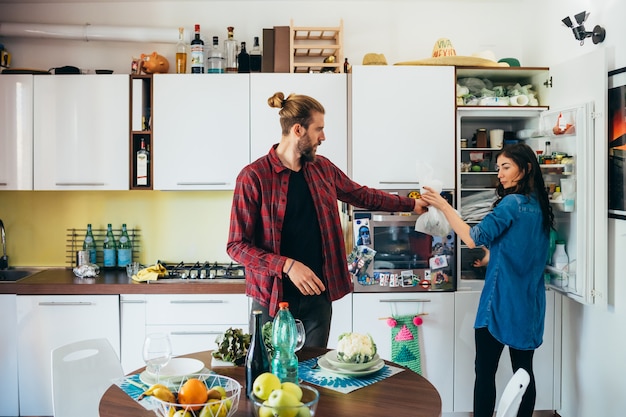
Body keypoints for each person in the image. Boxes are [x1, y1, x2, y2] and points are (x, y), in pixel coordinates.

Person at [227, 92, 427, 347]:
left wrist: (411, 204)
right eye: (318, 129)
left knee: (313, 377)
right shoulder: (253, 177)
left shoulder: (323, 169)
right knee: (269, 379)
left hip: (318, 299)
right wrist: (287, 265)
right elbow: (236, 246)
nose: (323, 137)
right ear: (298, 130)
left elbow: (363, 196)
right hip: (272, 298)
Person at [420, 143, 554, 417]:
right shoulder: (539, 205)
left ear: (525, 168)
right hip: (530, 304)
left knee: (485, 372)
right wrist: (493, 258)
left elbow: (473, 238)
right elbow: (522, 250)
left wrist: (444, 205)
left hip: (500, 303)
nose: (500, 174)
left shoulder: (512, 203)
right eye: (498, 168)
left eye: (506, 167)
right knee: (524, 373)